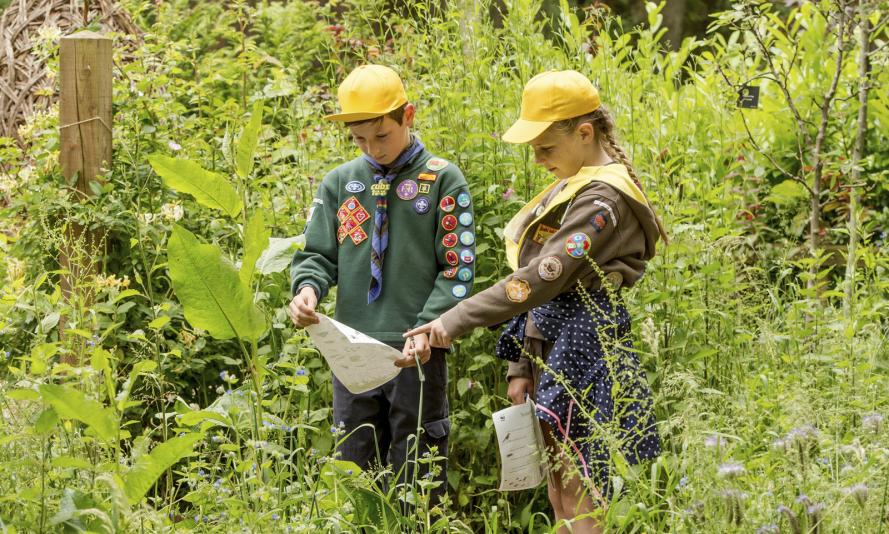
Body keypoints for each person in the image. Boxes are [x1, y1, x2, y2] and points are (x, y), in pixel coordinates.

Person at [403, 70, 665, 532]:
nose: (539, 160)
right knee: (558, 486)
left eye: (546, 147)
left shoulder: (603, 200)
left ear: (584, 133)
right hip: (552, 343)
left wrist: (454, 320)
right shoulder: (576, 184)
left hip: (585, 347)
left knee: (584, 484)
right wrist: (521, 367)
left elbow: (543, 279)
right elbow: (541, 293)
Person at [288, 64, 475, 502]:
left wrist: (429, 327)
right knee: (355, 472)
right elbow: (317, 254)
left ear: (408, 115)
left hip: (416, 352)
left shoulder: (443, 180)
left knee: (417, 471)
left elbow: (459, 269)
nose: (373, 148)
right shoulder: (340, 183)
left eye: (382, 136)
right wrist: (307, 290)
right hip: (350, 350)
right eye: (359, 140)